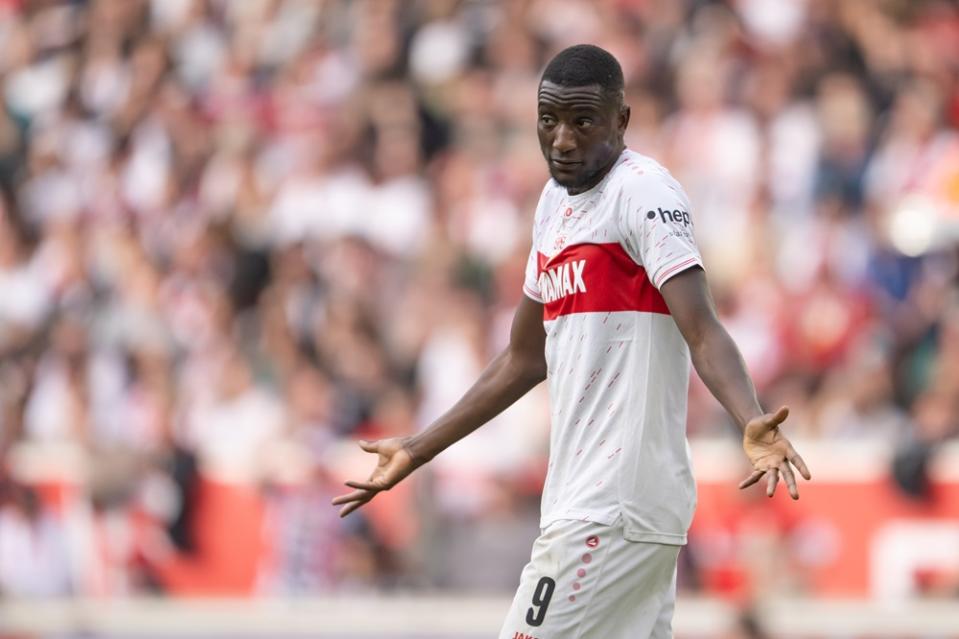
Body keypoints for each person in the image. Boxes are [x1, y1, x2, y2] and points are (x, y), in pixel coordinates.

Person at [332, 44, 811, 638]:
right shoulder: (554, 206)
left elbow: (702, 327)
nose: (561, 139)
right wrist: (420, 448)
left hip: (612, 502)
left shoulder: (645, 193)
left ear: (622, 120)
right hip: (595, 500)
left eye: (583, 121)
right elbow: (523, 358)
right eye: (548, 119)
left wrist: (751, 417)